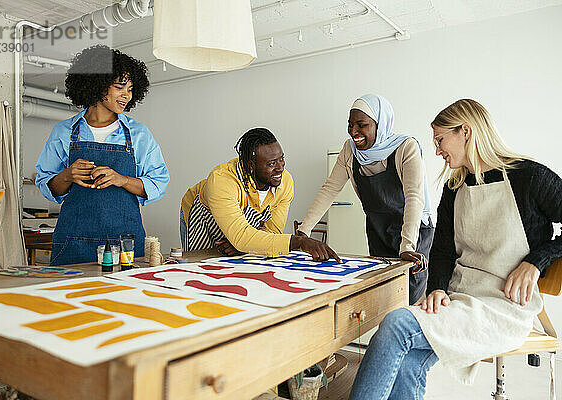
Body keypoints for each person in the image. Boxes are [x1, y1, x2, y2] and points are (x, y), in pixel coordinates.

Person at [348, 99, 562, 400]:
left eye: (440, 140)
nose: (436, 150)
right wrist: (436, 288)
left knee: (397, 323)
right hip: (461, 298)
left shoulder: (531, 178)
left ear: (465, 131)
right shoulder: (454, 189)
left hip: (504, 307)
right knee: (408, 356)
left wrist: (536, 262)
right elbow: (443, 250)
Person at [35, 45, 169, 266]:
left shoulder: (138, 134)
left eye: (131, 89)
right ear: (97, 85)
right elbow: (47, 186)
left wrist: (122, 179)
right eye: (120, 87)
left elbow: (159, 183)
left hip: (125, 243)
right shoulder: (64, 131)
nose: (127, 95)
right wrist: (67, 176)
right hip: (73, 241)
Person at [297, 94, 434, 304]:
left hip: (413, 232)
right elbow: (330, 190)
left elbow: (414, 198)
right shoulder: (349, 151)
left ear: (380, 124)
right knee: (383, 295)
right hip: (378, 229)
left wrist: (407, 247)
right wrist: (303, 232)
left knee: (411, 296)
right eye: (350, 125)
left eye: (362, 125)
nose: (353, 132)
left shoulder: (406, 148)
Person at [180, 127, 340, 262]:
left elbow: (271, 232)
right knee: (202, 266)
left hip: (240, 230)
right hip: (204, 217)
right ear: (251, 165)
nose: (280, 168)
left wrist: (242, 245)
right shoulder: (222, 180)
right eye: (271, 164)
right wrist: (299, 242)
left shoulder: (285, 182)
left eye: (281, 159)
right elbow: (242, 237)